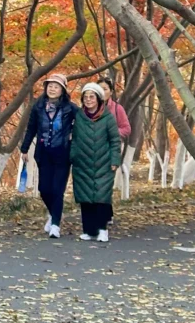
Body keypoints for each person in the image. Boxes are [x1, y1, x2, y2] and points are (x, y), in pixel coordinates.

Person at [20, 72, 77, 237]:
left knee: (57, 190)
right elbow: (31, 128)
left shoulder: (70, 108)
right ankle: (54, 213)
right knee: (44, 188)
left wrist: (73, 134)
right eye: (50, 86)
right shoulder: (38, 107)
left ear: (63, 90)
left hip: (63, 153)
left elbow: (83, 122)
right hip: (43, 153)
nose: (52, 89)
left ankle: (55, 226)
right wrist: (24, 149)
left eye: (56, 86)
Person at [70, 82, 121, 243]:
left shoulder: (108, 117)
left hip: (103, 163)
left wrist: (115, 160)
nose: (88, 100)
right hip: (82, 163)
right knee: (85, 198)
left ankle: (102, 230)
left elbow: (114, 140)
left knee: (101, 197)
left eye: (92, 97)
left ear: (99, 99)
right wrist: (73, 155)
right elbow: (74, 139)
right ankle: (88, 230)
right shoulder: (79, 116)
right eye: (85, 97)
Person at [99, 75, 131, 141]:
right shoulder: (89, 109)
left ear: (111, 92)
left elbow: (126, 129)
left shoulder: (118, 108)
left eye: (105, 89)